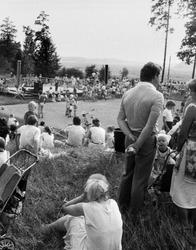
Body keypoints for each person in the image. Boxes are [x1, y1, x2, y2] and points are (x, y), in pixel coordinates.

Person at [117, 62, 164, 216]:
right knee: (140, 179)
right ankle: (134, 213)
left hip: (129, 137)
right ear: (155, 76)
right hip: (146, 141)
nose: (160, 81)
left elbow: (120, 120)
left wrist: (130, 136)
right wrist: (137, 144)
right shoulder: (157, 95)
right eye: (159, 77)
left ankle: (121, 207)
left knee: (127, 174)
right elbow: (149, 127)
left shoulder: (128, 93)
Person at [42, 174, 123, 250]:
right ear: (106, 190)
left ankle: (47, 228)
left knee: (73, 218)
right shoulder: (113, 203)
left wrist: (82, 197)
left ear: (87, 190)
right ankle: (49, 228)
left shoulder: (86, 207)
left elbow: (65, 208)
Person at [170, 79, 196, 232]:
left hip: (192, 150)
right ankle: (193, 223)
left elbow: (182, 134)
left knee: (182, 187)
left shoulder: (192, 107)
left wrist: (177, 150)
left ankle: (184, 225)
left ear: (191, 91)